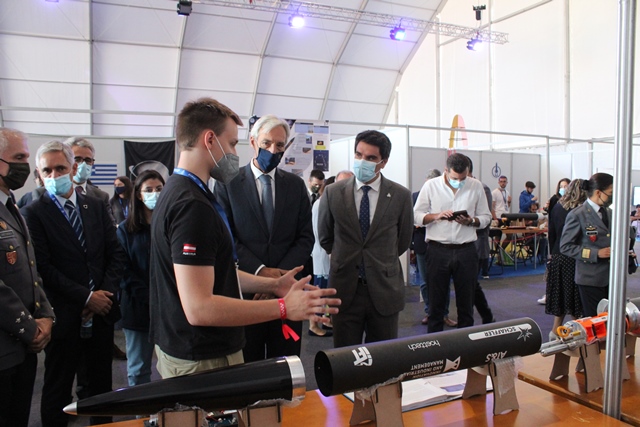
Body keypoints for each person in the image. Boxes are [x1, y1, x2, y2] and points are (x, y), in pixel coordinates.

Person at [150, 97, 339, 378]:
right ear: (210, 140)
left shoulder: (181, 191)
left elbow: (215, 270)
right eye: (231, 144)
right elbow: (199, 307)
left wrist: (273, 284)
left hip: (196, 345)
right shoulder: (192, 205)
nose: (232, 152)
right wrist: (284, 306)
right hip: (201, 352)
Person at [24, 140, 126, 427]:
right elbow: (44, 268)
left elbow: (115, 253)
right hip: (64, 316)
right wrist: (86, 297)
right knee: (57, 388)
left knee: (101, 388)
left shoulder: (96, 205)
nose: (54, 175)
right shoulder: (33, 213)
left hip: (102, 313)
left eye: (60, 168)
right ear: (38, 173)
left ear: (72, 168)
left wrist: (103, 295)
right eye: (47, 170)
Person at [214, 114, 314, 362]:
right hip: (247, 296)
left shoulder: (295, 185)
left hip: (288, 292)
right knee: (250, 366)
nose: (272, 150)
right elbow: (227, 238)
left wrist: (278, 280)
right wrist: (261, 274)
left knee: (287, 366)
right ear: (253, 142)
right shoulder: (228, 183)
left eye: (279, 145)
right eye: (266, 143)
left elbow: (305, 238)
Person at [318, 130, 413, 348]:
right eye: (359, 155)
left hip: (384, 288)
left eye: (370, 158)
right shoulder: (333, 192)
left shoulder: (400, 196)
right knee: (345, 357)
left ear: (383, 162)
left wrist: (377, 259)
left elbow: (403, 240)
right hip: (344, 289)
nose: (362, 161)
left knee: (383, 357)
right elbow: (325, 236)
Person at [0, 128, 55, 427]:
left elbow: (31, 270)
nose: (25, 165)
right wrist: (31, 327)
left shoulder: (11, 206)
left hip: (23, 348)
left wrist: (46, 316)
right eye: (19, 157)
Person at [413, 153, 492, 333]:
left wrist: (472, 221)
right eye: (455, 178)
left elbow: (486, 217)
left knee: (466, 305)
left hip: (466, 250)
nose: (460, 182)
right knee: (436, 305)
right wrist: (437, 216)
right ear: (446, 171)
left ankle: (466, 343)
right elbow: (416, 215)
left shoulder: (476, 185)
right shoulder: (431, 186)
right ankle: (434, 343)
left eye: (463, 178)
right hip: (437, 250)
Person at [116, 170, 164, 386]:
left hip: (168, 307)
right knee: (138, 370)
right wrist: (149, 297)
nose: (155, 194)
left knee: (174, 367)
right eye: (149, 190)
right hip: (137, 308)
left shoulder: (171, 225)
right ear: (138, 194)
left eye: (159, 189)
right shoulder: (125, 230)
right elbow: (123, 271)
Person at [560, 173, 614, 316]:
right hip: (590, 278)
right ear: (598, 192)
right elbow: (566, 246)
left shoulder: (610, 213)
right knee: (596, 320)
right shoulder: (578, 214)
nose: (612, 197)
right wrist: (596, 253)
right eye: (610, 193)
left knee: (611, 318)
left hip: (611, 277)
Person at [412, 169, 456, 327]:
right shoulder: (415, 196)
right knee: (425, 281)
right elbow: (412, 219)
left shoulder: (447, 196)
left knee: (444, 281)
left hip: (441, 244)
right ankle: (429, 312)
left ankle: (443, 314)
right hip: (422, 243)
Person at [545, 179, 586, 338]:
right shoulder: (580, 210)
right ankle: (579, 334)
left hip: (557, 255)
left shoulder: (557, 206)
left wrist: (551, 255)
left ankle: (555, 331)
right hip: (572, 256)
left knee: (561, 296)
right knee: (573, 297)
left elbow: (552, 232)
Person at [465, 157, 496, 323]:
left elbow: (486, 217)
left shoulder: (482, 188)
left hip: (476, 242)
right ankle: (485, 316)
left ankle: (483, 316)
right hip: (462, 243)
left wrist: (470, 221)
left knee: (471, 284)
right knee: (470, 284)